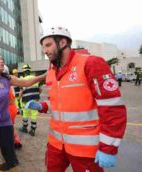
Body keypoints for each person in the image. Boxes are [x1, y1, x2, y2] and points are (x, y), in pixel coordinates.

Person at [25, 26, 127, 171]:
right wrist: (42, 106)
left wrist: (108, 148)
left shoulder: (91, 63)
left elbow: (112, 109)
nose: (45, 51)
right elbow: (58, 102)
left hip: (86, 151)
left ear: (62, 43)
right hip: (56, 146)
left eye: (48, 45)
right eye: (43, 47)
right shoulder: (51, 72)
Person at [19, 64, 41, 136]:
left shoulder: (22, 79)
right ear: (30, 70)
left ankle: (25, 128)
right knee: (34, 114)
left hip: (25, 100)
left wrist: (19, 99)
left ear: (24, 71)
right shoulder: (35, 78)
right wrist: (37, 95)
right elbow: (40, 89)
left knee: (25, 114)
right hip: (34, 100)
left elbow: (21, 91)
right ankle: (33, 129)